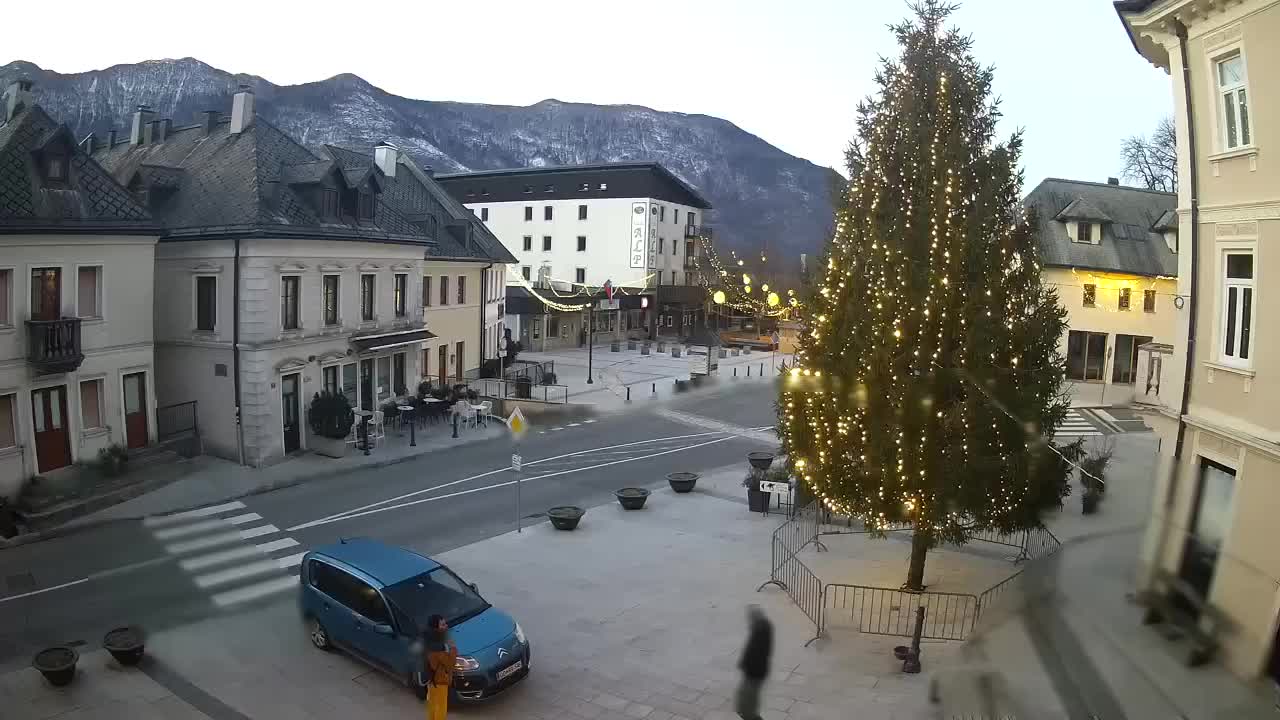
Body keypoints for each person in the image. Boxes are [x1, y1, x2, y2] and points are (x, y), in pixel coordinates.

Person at [735, 605, 773, 720]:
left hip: (754, 674)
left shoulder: (760, 632)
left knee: (746, 709)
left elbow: (754, 653)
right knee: (745, 706)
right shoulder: (760, 630)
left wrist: (744, 663)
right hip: (753, 673)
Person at [422, 614, 458, 720]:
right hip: (440, 680)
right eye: (442, 625)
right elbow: (450, 663)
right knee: (441, 708)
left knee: (432, 705)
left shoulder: (427, 639)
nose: (446, 626)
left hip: (430, 678)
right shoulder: (438, 647)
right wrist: (453, 648)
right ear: (436, 628)